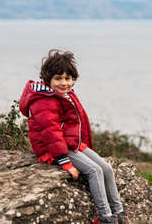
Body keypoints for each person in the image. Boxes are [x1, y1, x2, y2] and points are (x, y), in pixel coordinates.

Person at [19, 49, 130, 224]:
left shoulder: (66, 94)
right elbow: (51, 134)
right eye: (58, 78)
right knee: (94, 171)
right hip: (54, 148)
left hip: (71, 143)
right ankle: (105, 217)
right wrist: (66, 163)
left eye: (68, 78)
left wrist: (83, 146)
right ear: (47, 79)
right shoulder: (43, 100)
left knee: (106, 168)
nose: (64, 83)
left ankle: (120, 213)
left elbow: (79, 121)